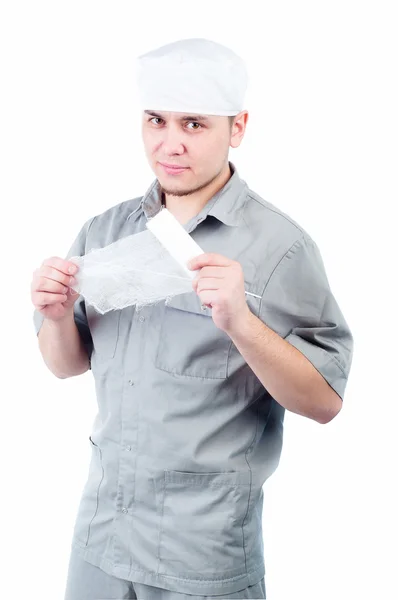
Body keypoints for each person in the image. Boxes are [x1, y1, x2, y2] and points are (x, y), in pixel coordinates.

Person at [31, 38, 354, 600]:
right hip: (101, 542)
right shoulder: (106, 231)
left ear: (238, 127)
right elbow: (67, 366)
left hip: (201, 557)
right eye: (156, 120)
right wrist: (56, 316)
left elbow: (325, 402)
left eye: (194, 124)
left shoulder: (281, 247)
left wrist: (242, 323)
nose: (170, 143)